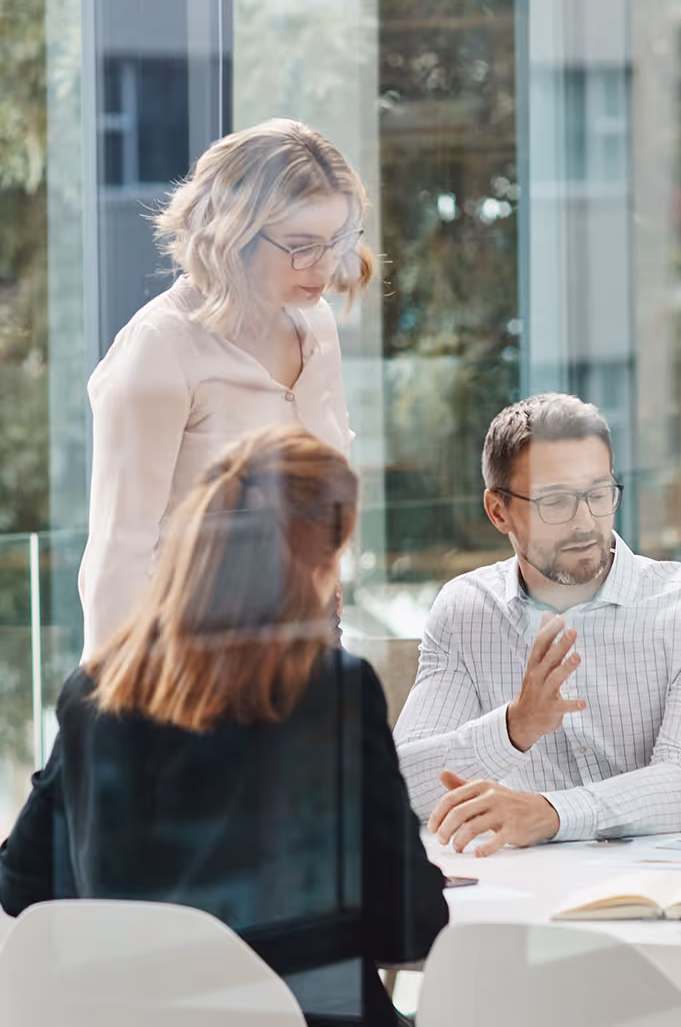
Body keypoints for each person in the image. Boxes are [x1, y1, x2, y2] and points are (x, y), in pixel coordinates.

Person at [0, 426, 447, 1026]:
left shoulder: (96, 693)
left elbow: (22, 886)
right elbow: (409, 926)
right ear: (317, 559)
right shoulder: (331, 691)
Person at [78, 118, 375, 658]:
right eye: (301, 245)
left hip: (306, 650)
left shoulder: (317, 326)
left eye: (337, 241)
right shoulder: (160, 348)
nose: (327, 266)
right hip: (195, 664)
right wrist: (109, 725)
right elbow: (118, 557)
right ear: (233, 233)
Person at [394, 393, 681, 851]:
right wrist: (513, 729)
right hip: (538, 895)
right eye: (555, 502)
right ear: (498, 511)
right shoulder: (466, 613)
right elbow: (402, 785)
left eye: (599, 495)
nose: (585, 521)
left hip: (680, 899)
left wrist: (550, 813)